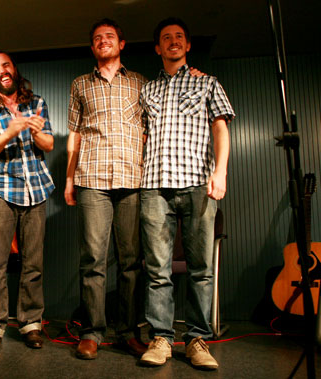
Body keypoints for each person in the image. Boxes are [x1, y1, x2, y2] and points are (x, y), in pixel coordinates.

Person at [138, 18, 234, 370]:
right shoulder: (146, 91)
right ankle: (162, 338)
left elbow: (220, 127)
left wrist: (220, 172)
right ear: (158, 48)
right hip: (154, 186)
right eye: (166, 38)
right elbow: (143, 137)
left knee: (201, 269)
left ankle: (197, 340)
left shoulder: (206, 82)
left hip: (197, 183)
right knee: (157, 270)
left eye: (179, 37)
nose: (173, 42)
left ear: (188, 45)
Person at [65, 18, 148, 360]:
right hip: (91, 180)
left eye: (109, 37)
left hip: (132, 180)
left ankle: (128, 331)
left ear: (121, 44)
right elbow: (74, 134)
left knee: (130, 261)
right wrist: (69, 179)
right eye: (97, 38)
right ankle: (92, 332)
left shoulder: (141, 83)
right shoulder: (80, 84)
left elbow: (149, 130)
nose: (103, 41)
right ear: (92, 47)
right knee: (92, 260)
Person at [0, 51, 55, 350]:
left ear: (14, 69)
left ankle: (30, 324)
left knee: (33, 263)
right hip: (0, 189)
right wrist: (9, 132)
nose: (2, 71)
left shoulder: (36, 103)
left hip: (37, 188)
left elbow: (49, 143)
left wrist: (34, 130)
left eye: (6, 65)